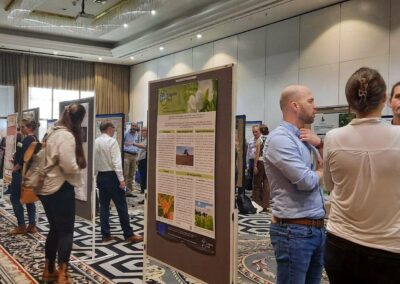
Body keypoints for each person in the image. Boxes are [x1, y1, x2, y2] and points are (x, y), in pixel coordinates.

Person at [323, 67, 400, 283]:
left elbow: (329, 185)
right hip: (389, 248)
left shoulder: (333, 137)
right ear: (385, 98)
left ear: (350, 102)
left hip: (339, 242)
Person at [263, 85, 325, 284]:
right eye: (311, 101)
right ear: (295, 106)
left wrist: (321, 145)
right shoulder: (280, 139)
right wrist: (322, 172)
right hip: (294, 232)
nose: (316, 106)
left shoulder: (304, 138)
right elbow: (306, 181)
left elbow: (327, 172)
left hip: (316, 229)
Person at [37, 103, 87, 284]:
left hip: (46, 189)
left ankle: (48, 270)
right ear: (79, 120)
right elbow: (68, 165)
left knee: (55, 230)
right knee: (66, 232)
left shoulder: (52, 131)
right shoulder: (66, 136)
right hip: (60, 189)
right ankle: (62, 275)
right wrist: (79, 166)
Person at [95, 121, 144, 243]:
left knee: (104, 207)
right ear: (109, 129)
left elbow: (94, 161)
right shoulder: (112, 141)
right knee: (121, 205)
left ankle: (105, 235)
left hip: (101, 176)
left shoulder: (96, 142)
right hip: (112, 177)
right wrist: (121, 180)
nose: (114, 130)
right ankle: (128, 234)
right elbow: (116, 162)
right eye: (113, 128)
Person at [9, 120, 37, 235]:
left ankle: (21, 226)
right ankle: (31, 225)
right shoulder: (35, 139)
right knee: (29, 198)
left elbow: (25, 157)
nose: (21, 129)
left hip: (21, 173)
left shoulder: (28, 140)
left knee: (14, 198)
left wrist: (16, 166)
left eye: (23, 127)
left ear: (29, 127)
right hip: (30, 174)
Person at [252, 124, 270, 211]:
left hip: (260, 162)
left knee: (256, 184)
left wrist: (255, 165)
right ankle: (265, 205)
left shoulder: (260, 140)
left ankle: (256, 203)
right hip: (268, 163)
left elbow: (257, 153)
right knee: (266, 184)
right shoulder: (270, 139)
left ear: (260, 131)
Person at [123, 122, 140, 194]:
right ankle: (123, 191)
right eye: (132, 125)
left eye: (135, 126)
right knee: (125, 174)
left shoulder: (137, 134)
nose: (133, 127)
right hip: (126, 155)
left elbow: (137, 144)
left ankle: (129, 191)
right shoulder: (126, 133)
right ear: (130, 126)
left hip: (134, 155)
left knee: (131, 174)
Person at [245, 125, 260, 191]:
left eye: (256, 132)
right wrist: (247, 164)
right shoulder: (251, 140)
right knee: (251, 177)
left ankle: (258, 194)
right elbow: (248, 153)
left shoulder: (262, 140)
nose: (255, 133)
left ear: (259, 131)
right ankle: (253, 194)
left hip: (259, 162)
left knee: (258, 178)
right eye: (253, 132)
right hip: (251, 161)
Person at [134, 127, 147, 195]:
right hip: (140, 161)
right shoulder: (144, 139)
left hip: (144, 161)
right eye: (141, 131)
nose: (142, 132)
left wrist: (135, 144)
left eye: (143, 131)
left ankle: (144, 190)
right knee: (142, 175)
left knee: (144, 176)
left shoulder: (149, 139)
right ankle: (142, 189)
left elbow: (145, 147)